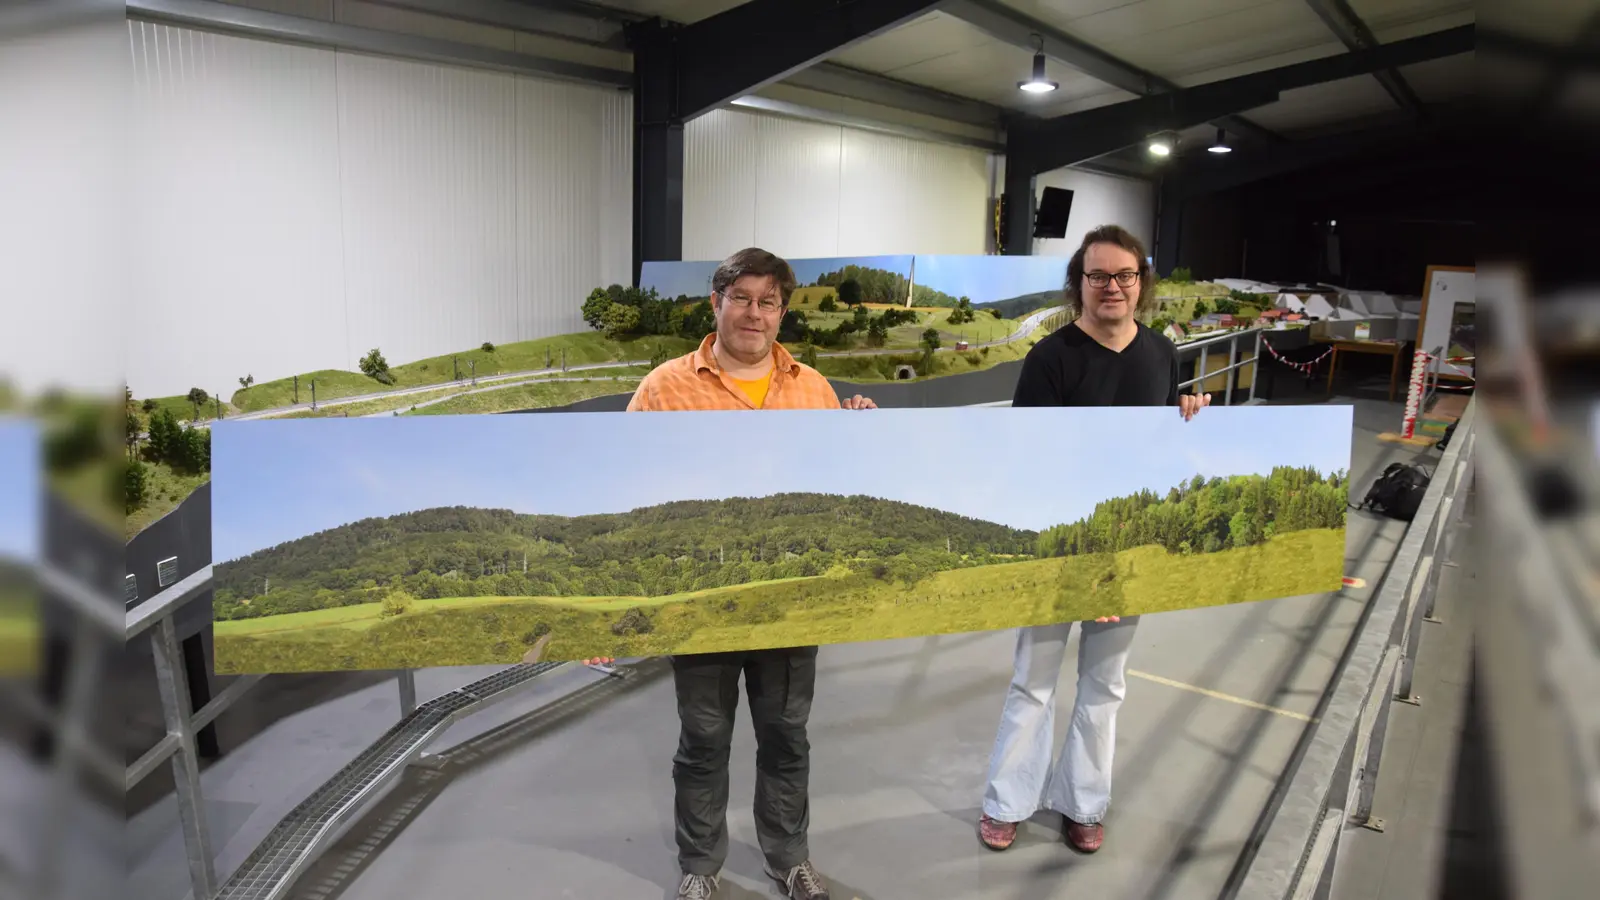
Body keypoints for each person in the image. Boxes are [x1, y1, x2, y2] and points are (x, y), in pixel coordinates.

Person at [621, 247, 875, 900]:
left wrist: (861, 438)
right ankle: (700, 866)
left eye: (768, 302)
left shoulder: (814, 389)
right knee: (703, 739)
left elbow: (835, 491)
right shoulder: (663, 389)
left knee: (787, 737)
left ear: (782, 312)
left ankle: (789, 858)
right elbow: (627, 494)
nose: (754, 314)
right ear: (716, 304)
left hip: (790, 602)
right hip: (703, 600)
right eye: (741, 298)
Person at [976, 224, 1210, 855]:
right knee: (1035, 680)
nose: (1112, 286)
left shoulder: (1162, 353)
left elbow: (1157, 458)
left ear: (1142, 283)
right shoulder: (1049, 360)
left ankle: (1083, 803)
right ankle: (1008, 801)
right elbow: (1033, 468)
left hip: (1128, 546)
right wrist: (1081, 569)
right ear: (1079, 282)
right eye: (1098, 275)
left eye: (1124, 275)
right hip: (1061, 549)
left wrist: (1187, 419)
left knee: (1105, 686)